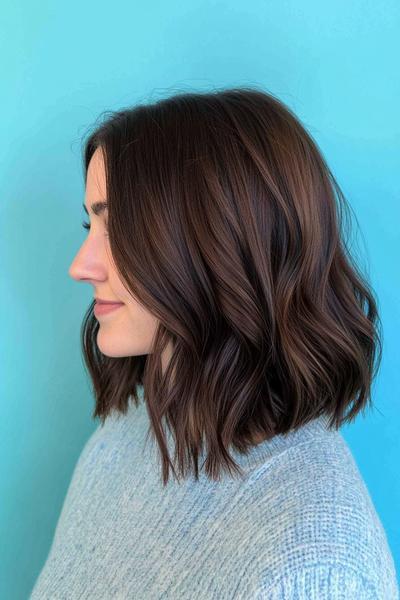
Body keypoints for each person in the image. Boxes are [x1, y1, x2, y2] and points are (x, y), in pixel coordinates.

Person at [30, 87, 399, 599]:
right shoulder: (126, 434)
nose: (80, 266)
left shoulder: (316, 567)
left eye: (118, 228)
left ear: (219, 245)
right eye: (89, 224)